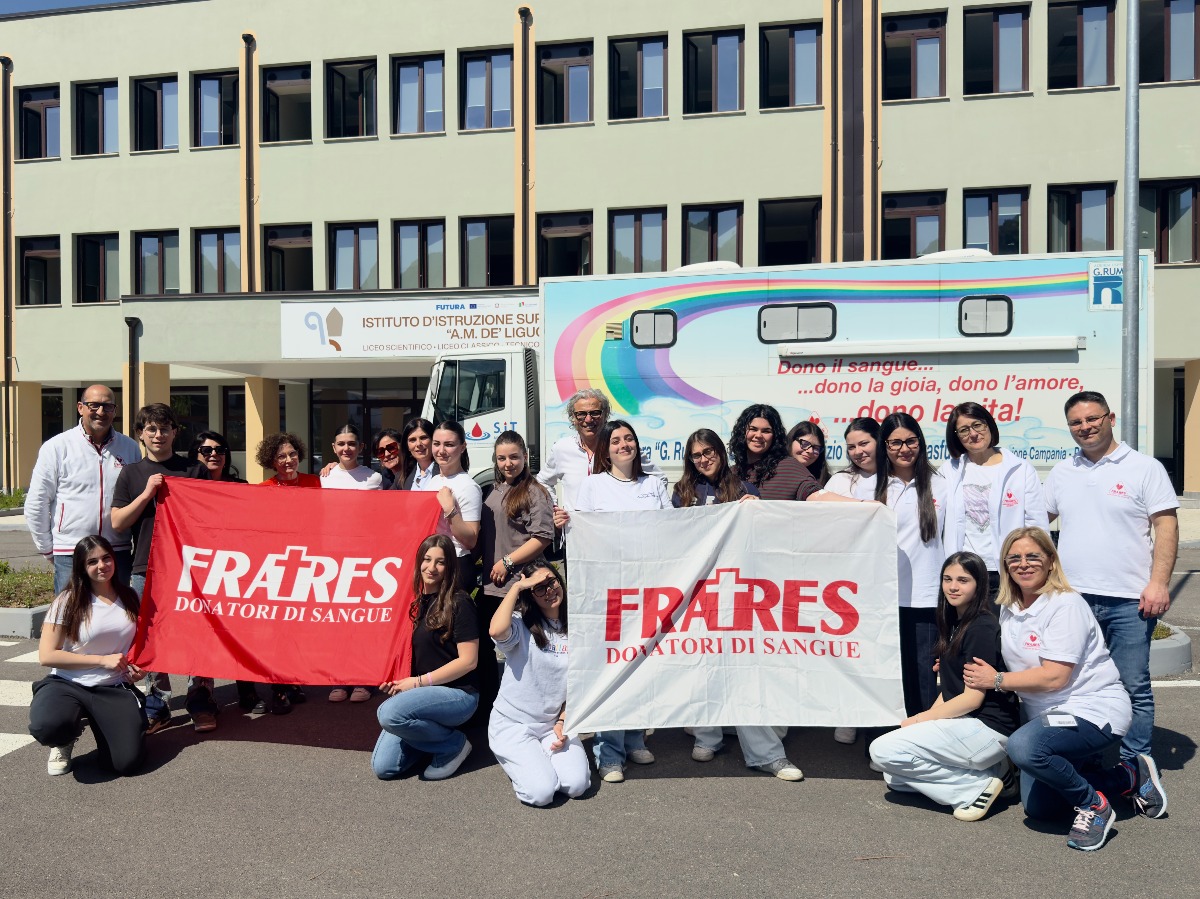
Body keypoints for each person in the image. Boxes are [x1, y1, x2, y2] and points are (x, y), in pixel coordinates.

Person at [1042, 390, 1176, 819]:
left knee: (1133, 684)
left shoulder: (1144, 468)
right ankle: (1093, 758)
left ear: (1110, 417)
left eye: (1093, 418)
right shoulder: (1063, 472)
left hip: (1128, 599)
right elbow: (1037, 527)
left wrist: (1158, 584)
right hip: (1074, 600)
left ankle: (1136, 764)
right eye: (1077, 423)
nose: (1086, 427)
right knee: (1076, 685)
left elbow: (1165, 526)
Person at [965, 527, 1134, 851]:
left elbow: (1054, 677)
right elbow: (1000, 654)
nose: (1023, 564)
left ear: (1050, 562)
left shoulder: (1064, 605)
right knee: (1040, 808)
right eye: (1014, 558)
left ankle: (1093, 805)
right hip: (1047, 719)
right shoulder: (1011, 607)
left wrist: (996, 680)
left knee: (1024, 747)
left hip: (1090, 709)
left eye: (1033, 557)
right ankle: (1125, 777)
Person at [671, 430, 804, 781]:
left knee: (745, 668)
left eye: (709, 451)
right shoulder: (683, 492)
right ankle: (707, 734)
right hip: (698, 593)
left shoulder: (744, 488)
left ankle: (766, 754)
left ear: (720, 452)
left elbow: (765, 538)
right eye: (696, 454)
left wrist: (757, 509)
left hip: (739, 592)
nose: (703, 459)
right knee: (701, 661)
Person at [869, 551, 1020, 821]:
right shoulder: (954, 623)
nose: (953, 586)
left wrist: (918, 719)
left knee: (882, 751)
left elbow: (972, 699)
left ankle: (975, 788)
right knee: (894, 776)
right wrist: (924, 723)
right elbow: (951, 691)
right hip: (966, 725)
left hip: (988, 728)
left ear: (980, 584)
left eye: (963, 580)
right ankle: (997, 774)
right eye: (947, 579)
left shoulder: (981, 626)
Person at [568, 419, 666, 783]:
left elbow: (673, 531)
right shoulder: (593, 486)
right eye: (616, 440)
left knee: (643, 663)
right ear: (606, 449)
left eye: (629, 439)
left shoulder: (654, 484)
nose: (624, 445)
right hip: (610, 588)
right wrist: (568, 522)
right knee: (613, 664)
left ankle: (635, 736)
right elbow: (583, 532)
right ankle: (609, 751)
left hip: (650, 586)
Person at [28, 535, 147, 777]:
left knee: (126, 764)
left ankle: (106, 725)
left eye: (106, 558)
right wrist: (102, 660)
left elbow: (136, 645)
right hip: (68, 683)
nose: (101, 565)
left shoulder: (131, 597)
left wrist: (139, 667)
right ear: (82, 567)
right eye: (92, 562)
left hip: (112, 686)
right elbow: (46, 655)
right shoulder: (67, 600)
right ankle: (63, 740)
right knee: (48, 726)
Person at [110, 403, 191, 733]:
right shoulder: (130, 474)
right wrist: (146, 494)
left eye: (165, 428)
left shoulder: (192, 470)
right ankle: (159, 701)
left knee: (196, 632)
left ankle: (201, 695)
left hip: (191, 570)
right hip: (146, 567)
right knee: (150, 637)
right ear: (141, 435)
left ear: (175, 432)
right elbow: (117, 522)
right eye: (152, 429)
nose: (159, 434)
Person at [371, 535, 479, 781]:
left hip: (459, 695)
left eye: (440, 562)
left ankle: (453, 745)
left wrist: (418, 683)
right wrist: (396, 681)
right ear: (419, 561)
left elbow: (468, 661)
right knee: (384, 768)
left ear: (450, 566)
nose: (432, 568)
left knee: (389, 715)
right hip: (420, 694)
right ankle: (429, 738)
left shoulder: (460, 602)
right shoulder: (414, 603)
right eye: (427, 560)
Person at [488, 561, 590, 805]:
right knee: (542, 793)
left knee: (577, 786)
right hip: (513, 725)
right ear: (530, 595)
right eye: (539, 588)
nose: (549, 591)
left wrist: (564, 719)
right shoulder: (520, 624)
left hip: (551, 724)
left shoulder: (578, 627)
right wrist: (518, 587)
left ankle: (538, 758)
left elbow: (580, 682)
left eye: (551, 582)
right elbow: (495, 630)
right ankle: (520, 761)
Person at [25, 384, 142, 594]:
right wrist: (48, 549)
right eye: (93, 405)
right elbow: (37, 502)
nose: (100, 412)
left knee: (119, 618)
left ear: (115, 411)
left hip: (117, 551)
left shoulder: (130, 448)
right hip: (71, 551)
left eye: (107, 406)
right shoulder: (57, 447)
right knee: (71, 618)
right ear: (80, 407)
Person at [875, 413, 949, 717]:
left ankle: (924, 740)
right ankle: (883, 744)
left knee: (925, 677)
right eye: (895, 443)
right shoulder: (872, 487)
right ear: (885, 446)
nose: (904, 448)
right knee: (889, 676)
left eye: (910, 441)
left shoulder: (941, 484)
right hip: (884, 599)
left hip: (927, 597)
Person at [479, 431, 554, 718]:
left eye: (513, 457)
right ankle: (492, 708)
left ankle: (533, 711)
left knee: (526, 652)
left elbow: (543, 537)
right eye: (501, 458)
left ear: (525, 457)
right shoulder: (495, 490)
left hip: (521, 585)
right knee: (489, 648)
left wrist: (508, 562)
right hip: (491, 586)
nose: (507, 463)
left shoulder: (536, 492)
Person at [941, 402, 1048, 597]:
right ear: (956, 437)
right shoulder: (948, 471)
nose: (973, 434)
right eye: (964, 430)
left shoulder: (1020, 470)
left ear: (989, 425)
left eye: (978, 425)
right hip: (964, 572)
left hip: (1008, 571)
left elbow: (1036, 525)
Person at [536, 388, 665, 527]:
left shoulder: (620, 449)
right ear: (573, 418)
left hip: (613, 533)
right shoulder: (561, 449)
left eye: (595, 413)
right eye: (581, 414)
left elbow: (659, 480)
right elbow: (542, 481)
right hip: (576, 533)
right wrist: (554, 509)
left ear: (605, 415)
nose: (588, 419)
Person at [414, 421, 482, 592]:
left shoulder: (468, 487)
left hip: (455, 565)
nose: (441, 450)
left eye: (449, 445)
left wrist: (450, 510)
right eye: (436, 444)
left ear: (462, 447)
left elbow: (471, 540)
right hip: (432, 563)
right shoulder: (434, 480)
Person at [729, 405, 821, 501]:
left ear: (775, 436)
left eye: (766, 431)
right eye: (753, 429)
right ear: (742, 432)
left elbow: (816, 494)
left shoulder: (789, 467)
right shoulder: (731, 473)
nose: (758, 435)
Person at [824, 418, 881, 501]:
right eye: (851, 447)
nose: (857, 452)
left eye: (863, 444)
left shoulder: (897, 477)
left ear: (879, 441)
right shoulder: (839, 480)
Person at [321, 424, 383, 491]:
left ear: (360, 447)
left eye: (352, 444)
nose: (346, 448)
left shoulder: (375, 478)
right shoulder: (325, 476)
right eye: (341, 444)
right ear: (334, 447)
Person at [256, 433, 322, 488]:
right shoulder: (264, 488)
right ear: (272, 461)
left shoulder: (314, 481)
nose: (289, 460)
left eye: (292, 454)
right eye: (281, 456)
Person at [787, 421, 830, 487]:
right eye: (805, 444)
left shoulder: (828, 481)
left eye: (816, 448)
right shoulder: (773, 471)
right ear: (791, 440)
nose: (810, 451)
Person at [399, 418, 439, 490]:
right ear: (407, 446)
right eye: (412, 440)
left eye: (423, 438)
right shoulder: (403, 476)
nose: (418, 444)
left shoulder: (445, 472)